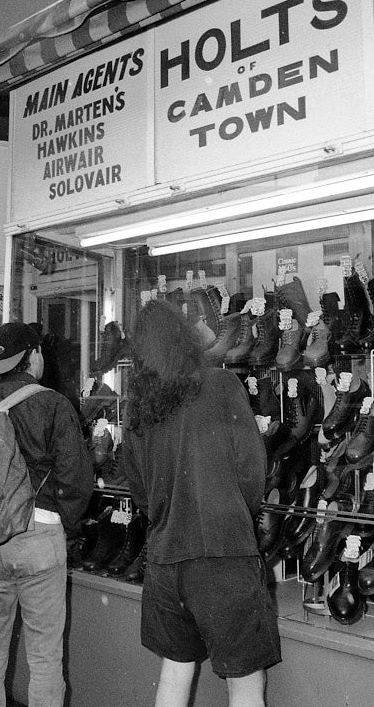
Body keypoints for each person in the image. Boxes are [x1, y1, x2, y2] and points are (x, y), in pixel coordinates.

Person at [120, 300, 279, 707]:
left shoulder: (137, 409)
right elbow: (251, 473)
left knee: (175, 672)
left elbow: (139, 492)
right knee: (244, 683)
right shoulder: (222, 386)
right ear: (185, 340)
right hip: (223, 557)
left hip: (164, 562)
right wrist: (235, 514)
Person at [0, 322, 93, 707]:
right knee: (46, 658)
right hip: (39, 537)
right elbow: (76, 479)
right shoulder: (53, 404)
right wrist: (60, 520)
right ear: (33, 355)